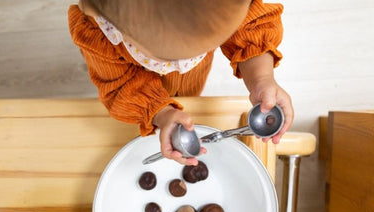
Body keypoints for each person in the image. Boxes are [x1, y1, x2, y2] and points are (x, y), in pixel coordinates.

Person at [68, 0, 293, 165]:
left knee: (189, 93)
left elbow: (249, 29)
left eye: (203, 48)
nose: (182, 63)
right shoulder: (100, 34)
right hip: (137, 85)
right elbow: (122, 85)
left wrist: (261, 78)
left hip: (190, 83)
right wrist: (161, 113)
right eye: (171, 58)